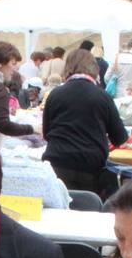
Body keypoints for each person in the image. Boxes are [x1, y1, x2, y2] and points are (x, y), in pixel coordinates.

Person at [42, 49, 127, 197]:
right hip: (90, 165)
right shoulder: (103, 97)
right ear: (94, 68)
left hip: (56, 161)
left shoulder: (55, 94)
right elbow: (119, 137)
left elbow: (46, 132)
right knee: (88, 207)